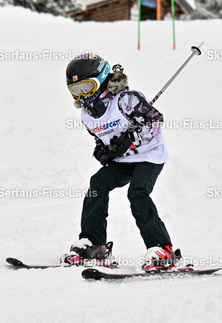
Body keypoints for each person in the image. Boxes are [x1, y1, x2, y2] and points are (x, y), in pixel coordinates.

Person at [60, 53, 178, 271]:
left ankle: (162, 249)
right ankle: (93, 244)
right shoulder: (87, 115)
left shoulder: (126, 100)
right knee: (98, 183)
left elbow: (154, 121)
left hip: (149, 155)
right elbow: (100, 138)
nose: (82, 95)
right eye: (76, 90)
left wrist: (131, 139)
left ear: (101, 80)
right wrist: (104, 151)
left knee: (137, 192)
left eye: (86, 87)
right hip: (124, 160)